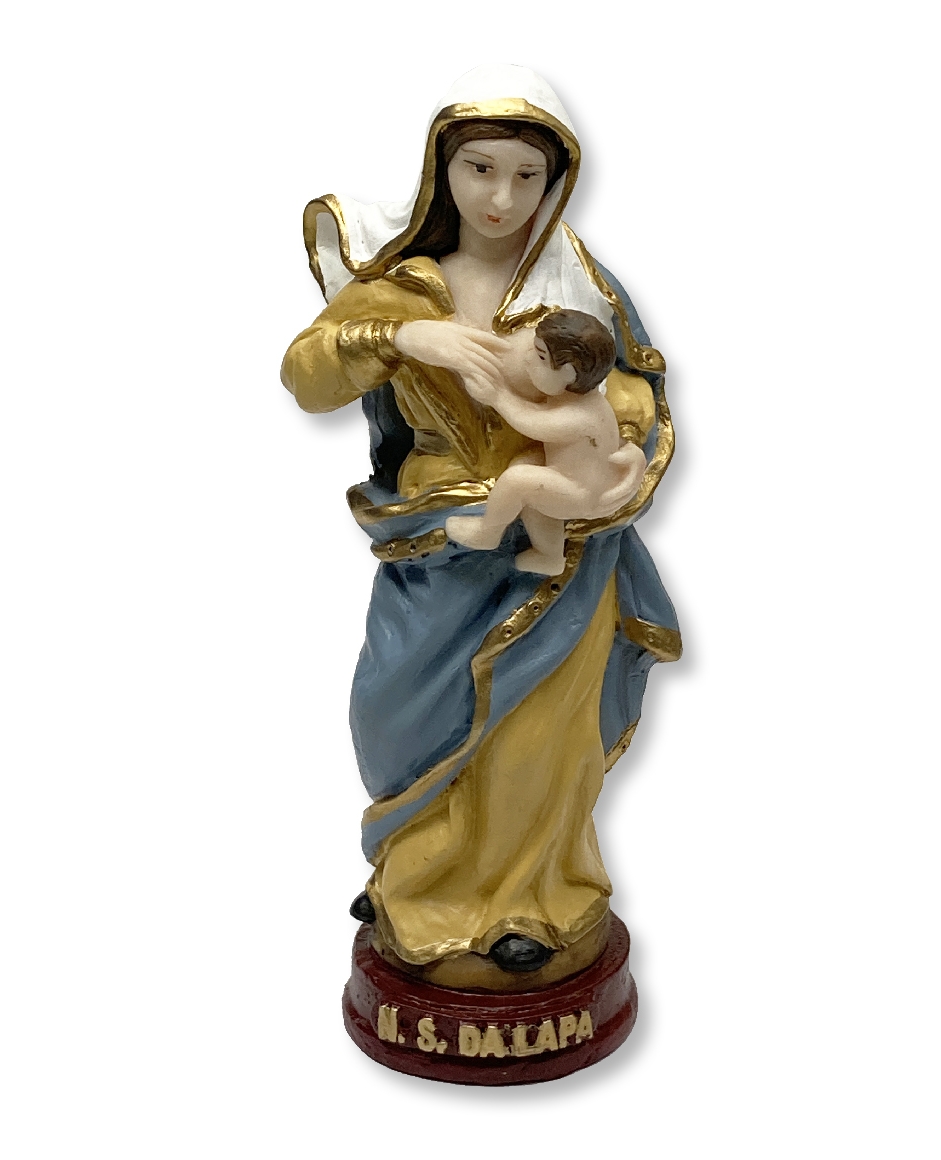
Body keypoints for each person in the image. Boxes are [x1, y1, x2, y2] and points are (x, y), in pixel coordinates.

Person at [282, 65, 680, 988]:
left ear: (556, 183)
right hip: (436, 545)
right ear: (442, 171)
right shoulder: (407, 288)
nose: (502, 198)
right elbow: (307, 376)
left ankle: (531, 908)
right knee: (393, 715)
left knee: (534, 739)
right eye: (480, 169)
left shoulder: (577, 286)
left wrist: (609, 454)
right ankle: (416, 874)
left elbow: (641, 398)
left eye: (527, 176)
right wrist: (400, 338)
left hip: (560, 556)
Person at [445, 309, 648, 576]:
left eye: (540, 356)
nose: (528, 358)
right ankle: (549, 555)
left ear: (568, 373)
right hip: (576, 480)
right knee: (528, 470)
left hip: (582, 493)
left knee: (518, 480)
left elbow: (532, 422)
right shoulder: (580, 399)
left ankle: (488, 532)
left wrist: (497, 396)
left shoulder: (579, 416)